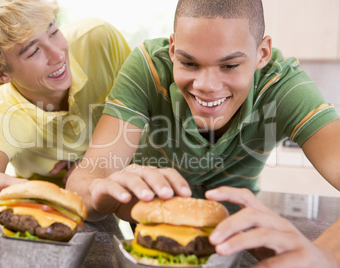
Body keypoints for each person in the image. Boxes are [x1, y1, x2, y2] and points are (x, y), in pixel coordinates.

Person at [67, 0, 340, 266]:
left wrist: (326, 255)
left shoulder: (283, 87)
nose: (207, 85)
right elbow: (89, 175)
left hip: (236, 240)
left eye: (229, 66)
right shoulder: (148, 68)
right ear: (173, 49)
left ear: (262, 54)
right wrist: (98, 192)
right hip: (149, 236)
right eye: (189, 63)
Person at [0, 0, 130, 245]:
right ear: (2, 74)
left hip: (124, 190)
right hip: (48, 222)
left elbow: (145, 106)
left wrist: (96, 164)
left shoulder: (98, 38)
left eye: (53, 31)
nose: (57, 54)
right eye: (32, 51)